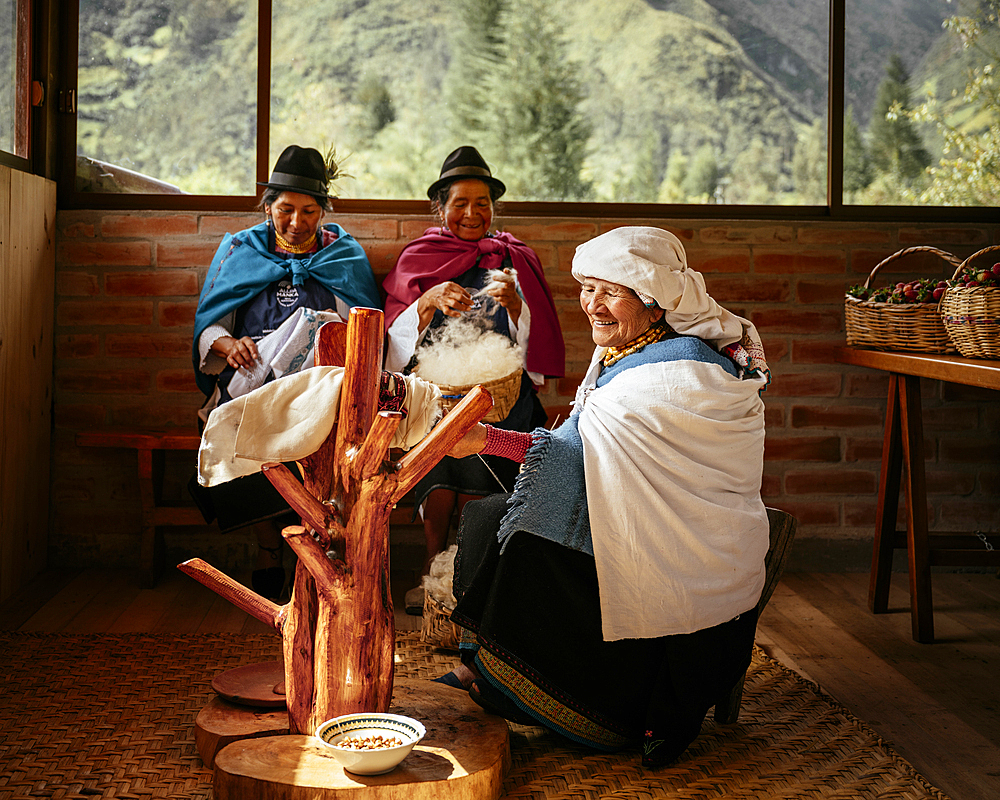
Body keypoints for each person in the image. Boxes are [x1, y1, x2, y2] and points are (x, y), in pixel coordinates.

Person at [436, 226, 771, 767]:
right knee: (488, 516)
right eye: (587, 288)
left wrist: (485, 439)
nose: (592, 304)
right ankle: (485, 664)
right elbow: (590, 445)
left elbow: (577, 455)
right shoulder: (627, 349)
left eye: (610, 291)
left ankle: (602, 707)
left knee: (533, 542)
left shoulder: (684, 369)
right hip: (633, 505)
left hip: (687, 537)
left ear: (654, 300)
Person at [191, 144, 381, 599]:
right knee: (251, 442)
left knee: (318, 446)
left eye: (310, 212)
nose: (297, 222)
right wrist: (228, 344)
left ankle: (314, 551)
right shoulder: (242, 249)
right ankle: (269, 548)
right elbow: (210, 324)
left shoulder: (342, 254)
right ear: (268, 206)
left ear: (323, 211)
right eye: (286, 210)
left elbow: (365, 326)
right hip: (255, 381)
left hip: (317, 387)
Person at [381, 145, 565, 612]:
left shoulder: (514, 259)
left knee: (486, 471)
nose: (471, 213)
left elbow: (535, 347)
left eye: (481, 203)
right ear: (439, 208)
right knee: (441, 471)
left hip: (503, 395)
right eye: (459, 203)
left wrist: (516, 305)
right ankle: (430, 573)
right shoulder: (420, 258)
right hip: (436, 391)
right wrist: (427, 302)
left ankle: (472, 575)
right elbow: (393, 342)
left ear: (494, 209)